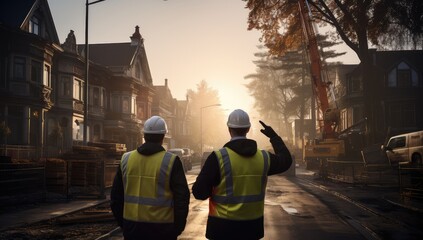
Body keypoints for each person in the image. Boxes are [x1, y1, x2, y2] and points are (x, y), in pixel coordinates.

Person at [192, 109, 292, 240]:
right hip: (252, 230)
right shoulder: (263, 158)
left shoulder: (218, 158)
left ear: (229, 129)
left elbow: (199, 193)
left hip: (222, 230)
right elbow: (286, 160)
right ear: (248, 129)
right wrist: (274, 137)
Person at [111, 116, 190, 240]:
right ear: (163, 136)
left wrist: (124, 224)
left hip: (132, 229)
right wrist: (177, 227)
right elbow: (182, 198)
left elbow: (116, 197)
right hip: (163, 230)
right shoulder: (171, 161)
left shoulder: (126, 159)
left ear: (144, 135)